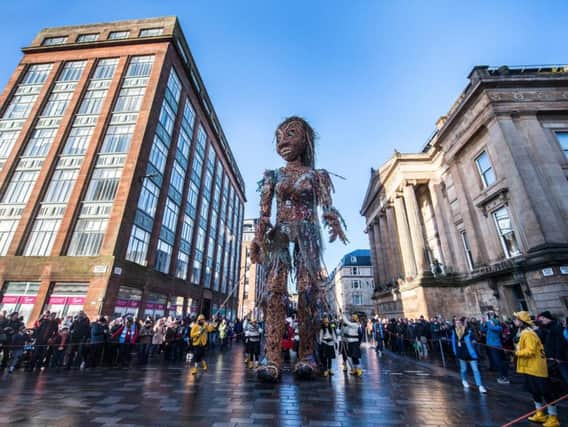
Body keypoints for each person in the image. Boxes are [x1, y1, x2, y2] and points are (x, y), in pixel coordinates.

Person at [514, 311, 559, 427]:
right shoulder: (523, 332)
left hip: (536, 367)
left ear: (521, 321)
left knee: (546, 392)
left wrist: (517, 352)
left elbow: (530, 351)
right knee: (534, 391)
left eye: (516, 319)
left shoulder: (528, 333)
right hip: (529, 367)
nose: (514, 321)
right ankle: (540, 413)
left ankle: (553, 417)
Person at [451, 317, 487, 393]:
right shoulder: (454, 332)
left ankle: (480, 385)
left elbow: (474, 338)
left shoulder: (468, 331)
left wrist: (474, 341)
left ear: (461, 323)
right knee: (463, 369)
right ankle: (464, 380)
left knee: (475, 369)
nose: (457, 324)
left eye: (458, 323)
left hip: (470, 352)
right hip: (461, 352)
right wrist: (455, 352)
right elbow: (453, 342)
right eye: (456, 323)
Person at [483, 311, 510, 384]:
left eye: (492, 322)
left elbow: (491, 327)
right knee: (499, 362)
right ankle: (503, 376)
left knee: (499, 362)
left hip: (496, 346)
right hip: (493, 346)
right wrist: (484, 322)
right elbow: (483, 329)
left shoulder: (498, 328)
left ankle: (504, 377)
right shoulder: (492, 327)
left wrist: (488, 321)